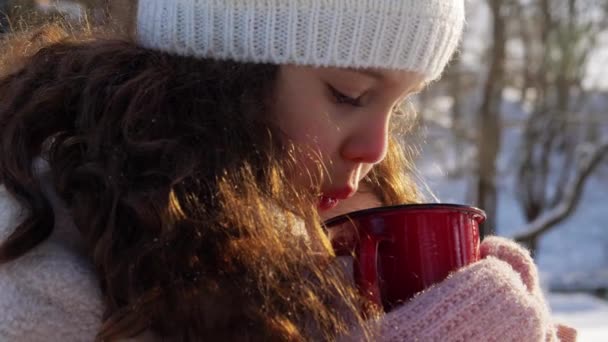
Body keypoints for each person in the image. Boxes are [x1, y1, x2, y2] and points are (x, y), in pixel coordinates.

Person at [0, 0, 577, 341]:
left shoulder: (287, 236)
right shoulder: (36, 257)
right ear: (222, 77)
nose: (376, 149)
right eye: (349, 94)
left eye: (398, 106)